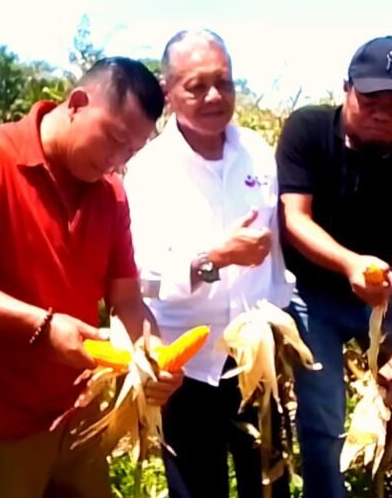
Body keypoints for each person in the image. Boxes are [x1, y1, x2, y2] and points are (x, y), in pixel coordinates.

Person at [0, 56, 184, 498]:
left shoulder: (111, 195)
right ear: (76, 103)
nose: (116, 161)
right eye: (114, 139)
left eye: (130, 152)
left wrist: (150, 355)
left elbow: (126, 300)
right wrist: (41, 325)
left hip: (80, 420)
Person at [277, 36, 392, 497]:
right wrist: (350, 263)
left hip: (379, 293)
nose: (383, 113)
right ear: (346, 89)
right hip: (308, 289)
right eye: (371, 100)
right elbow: (294, 219)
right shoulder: (308, 131)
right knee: (324, 412)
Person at [121, 30, 292, 498]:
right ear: (168, 92)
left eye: (223, 82)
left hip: (256, 357)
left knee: (269, 484)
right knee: (197, 489)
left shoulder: (258, 152)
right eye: (197, 87)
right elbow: (141, 276)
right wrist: (215, 258)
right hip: (186, 365)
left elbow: (279, 254)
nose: (214, 96)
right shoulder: (148, 170)